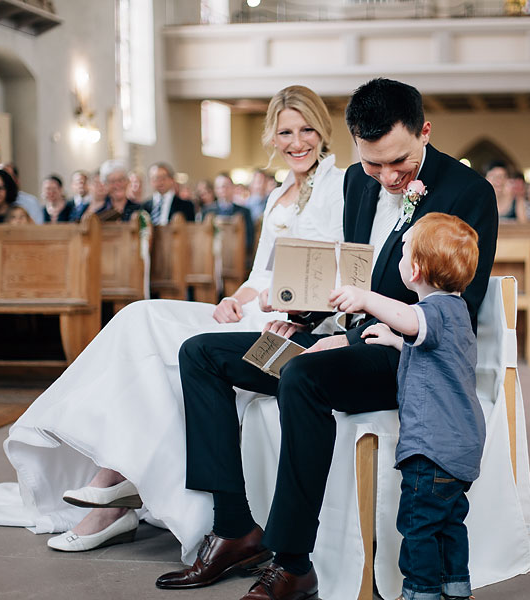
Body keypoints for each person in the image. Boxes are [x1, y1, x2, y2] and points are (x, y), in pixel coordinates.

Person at [0, 86, 345, 565]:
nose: (297, 142)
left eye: (307, 129)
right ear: (272, 134)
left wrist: (293, 307)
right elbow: (256, 276)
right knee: (137, 316)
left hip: (289, 326)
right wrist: (235, 297)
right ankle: (116, 480)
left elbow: (341, 270)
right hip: (252, 312)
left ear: (322, 130)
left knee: (174, 350)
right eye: (286, 131)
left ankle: (113, 486)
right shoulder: (276, 197)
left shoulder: (339, 186)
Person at [156, 78, 497, 600]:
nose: (386, 177)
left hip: (404, 358)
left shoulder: (467, 192)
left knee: (303, 375)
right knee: (200, 353)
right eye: (372, 163)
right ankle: (235, 528)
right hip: (343, 340)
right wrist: (307, 322)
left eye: (398, 162)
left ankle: (293, 562)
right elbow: (353, 275)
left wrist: (354, 341)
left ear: (424, 131)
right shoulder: (358, 184)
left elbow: (455, 309)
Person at [329, 212, 484, 600]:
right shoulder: (457, 312)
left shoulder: (433, 312)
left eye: (401, 252)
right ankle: (456, 588)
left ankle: (420, 592)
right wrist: (396, 341)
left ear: (414, 269)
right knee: (449, 524)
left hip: (432, 448)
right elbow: (434, 354)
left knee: (417, 526)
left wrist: (366, 299)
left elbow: (410, 319)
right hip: (459, 446)